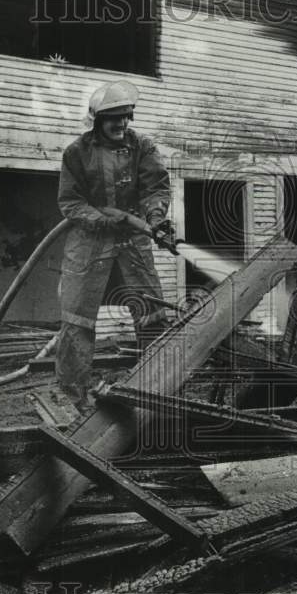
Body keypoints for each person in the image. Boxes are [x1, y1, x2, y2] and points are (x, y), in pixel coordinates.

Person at [56, 79, 174, 410]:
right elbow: (70, 203)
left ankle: (156, 391)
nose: (121, 124)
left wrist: (156, 220)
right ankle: (72, 398)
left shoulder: (143, 147)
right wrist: (107, 219)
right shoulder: (76, 152)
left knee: (152, 313)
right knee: (77, 321)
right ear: (97, 121)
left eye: (126, 116)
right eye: (113, 118)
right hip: (88, 244)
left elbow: (156, 189)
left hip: (133, 242)